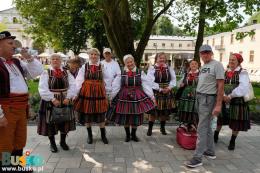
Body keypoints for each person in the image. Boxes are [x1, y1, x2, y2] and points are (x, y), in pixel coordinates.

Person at [0, 31, 43, 165]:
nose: (14, 46)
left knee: (19, 140)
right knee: (5, 143)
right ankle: (6, 167)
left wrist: (28, 57)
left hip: (20, 108)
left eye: (14, 43)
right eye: (10, 43)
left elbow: (36, 72)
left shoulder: (16, 62)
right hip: (6, 109)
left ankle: (16, 165)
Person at [186, 45, 224, 168]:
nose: (205, 55)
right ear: (200, 54)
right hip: (200, 97)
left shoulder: (216, 65)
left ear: (211, 53)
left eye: (207, 52)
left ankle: (197, 158)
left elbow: (221, 85)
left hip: (208, 99)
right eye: (202, 53)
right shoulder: (204, 66)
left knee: (201, 128)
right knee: (206, 126)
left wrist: (218, 105)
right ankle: (210, 151)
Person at [109, 54, 156, 142]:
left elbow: (146, 85)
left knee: (136, 116)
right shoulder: (121, 72)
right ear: (125, 63)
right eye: (127, 62)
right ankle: (127, 135)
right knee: (125, 116)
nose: (130, 64)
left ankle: (133, 135)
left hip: (137, 96)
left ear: (134, 61)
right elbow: (116, 85)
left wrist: (152, 96)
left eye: (131, 61)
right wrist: (112, 96)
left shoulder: (140, 72)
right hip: (124, 96)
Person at [38, 53, 77, 153]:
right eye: (53, 59)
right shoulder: (46, 73)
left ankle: (63, 142)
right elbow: (42, 88)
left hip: (65, 99)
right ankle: (52, 144)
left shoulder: (66, 72)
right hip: (50, 101)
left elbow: (73, 85)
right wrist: (52, 99)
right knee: (50, 122)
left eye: (57, 59)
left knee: (64, 121)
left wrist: (68, 97)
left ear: (61, 61)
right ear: (50, 61)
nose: (55, 61)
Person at [214, 53, 250, 150]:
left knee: (236, 121)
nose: (231, 62)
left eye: (233, 60)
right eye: (230, 60)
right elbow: (219, 84)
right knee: (220, 118)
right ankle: (216, 135)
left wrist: (230, 96)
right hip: (223, 97)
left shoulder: (243, 73)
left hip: (237, 100)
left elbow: (243, 88)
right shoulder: (225, 72)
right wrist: (224, 95)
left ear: (238, 62)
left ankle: (232, 140)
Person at [74, 48, 109, 144]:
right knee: (87, 113)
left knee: (101, 114)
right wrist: (76, 93)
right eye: (92, 54)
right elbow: (79, 80)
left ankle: (103, 135)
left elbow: (107, 79)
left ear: (99, 56)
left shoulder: (102, 66)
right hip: (87, 92)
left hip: (99, 93)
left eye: (96, 54)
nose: (94, 56)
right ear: (89, 55)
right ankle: (89, 135)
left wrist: (108, 91)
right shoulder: (84, 67)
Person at [146, 52, 176, 136]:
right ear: (156, 59)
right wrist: (159, 89)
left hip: (167, 91)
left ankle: (162, 128)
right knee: (153, 112)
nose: (162, 59)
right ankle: (150, 129)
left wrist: (169, 88)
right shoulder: (152, 68)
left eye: (163, 58)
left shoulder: (169, 68)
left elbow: (173, 80)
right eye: (160, 58)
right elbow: (149, 81)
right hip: (156, 92)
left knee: (164, 111)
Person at [177, 60, 199, 128]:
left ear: (198, 65)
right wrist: (181, 84)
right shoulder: (186, 74)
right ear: (190, 65)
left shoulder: (200, 74)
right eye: (192, 64)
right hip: (186, 93)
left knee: (193, 108)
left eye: (195, 64)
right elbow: (180, 82)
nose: (193, 65)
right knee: (185, 107)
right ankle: (185, 123)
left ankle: (193, 123)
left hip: (195, 93)